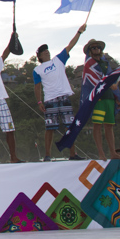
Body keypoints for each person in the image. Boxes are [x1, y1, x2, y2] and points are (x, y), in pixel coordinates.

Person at [33, 24, 87, 161]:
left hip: (63, 97)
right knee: (50, 128)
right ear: (39, 56)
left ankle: (72, 154)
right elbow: (37, 87)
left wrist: (79, 32)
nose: (47, 52)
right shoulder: (37, 70)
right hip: (50, 100)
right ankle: (47, 155)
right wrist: (39, 101)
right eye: (44, 51)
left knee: (70, 126)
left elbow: (70, 45)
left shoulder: (58, 60)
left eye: (47, 50)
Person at [82, 38, 120, 160]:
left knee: (109, 125)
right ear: (90, 50)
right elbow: (92, 81)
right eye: (94, 47)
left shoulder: (105, 63)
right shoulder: (89, 64)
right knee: (97, 125)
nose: (97, 49)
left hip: (109, 97)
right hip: (97, 98)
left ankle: (113, 152)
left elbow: (111, 78)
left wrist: (116, 97)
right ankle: (101, 153)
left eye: (98, 47)